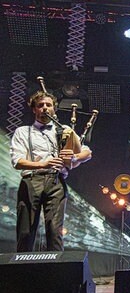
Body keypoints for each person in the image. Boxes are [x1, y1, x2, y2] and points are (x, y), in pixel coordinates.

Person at [10, 91, 92, 252]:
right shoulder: (22, 131)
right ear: (34, 109)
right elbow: (17, 162)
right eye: (40, 105)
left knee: (55, 231)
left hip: (56, 182)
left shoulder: (64, 130)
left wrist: (74, 157)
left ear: (54, 109)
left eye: (48, 105)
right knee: (26, 231)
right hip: (31, 181)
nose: (44, 108)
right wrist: (43, 164)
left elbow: (87, 153)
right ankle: (22, 274)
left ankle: (55, 274)